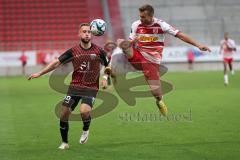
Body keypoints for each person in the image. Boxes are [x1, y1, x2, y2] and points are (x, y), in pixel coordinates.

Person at [28, 23, 110, 150]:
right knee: (64, 114)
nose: (87, 34)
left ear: (92, 33)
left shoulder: (99, 51)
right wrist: (40, 72)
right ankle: (65, 143)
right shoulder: (73, 51)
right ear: (79, 34)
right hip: (75, 86)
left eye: (89, 31)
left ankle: (85, 129)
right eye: (84, 31)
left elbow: (107, 65)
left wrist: (105, 78)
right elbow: (56, 63)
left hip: (90, 87)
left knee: (84, 111)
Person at [118, 4, 211, 116]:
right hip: (138, 56)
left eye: (143, 17)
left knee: (156, 93)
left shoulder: (161, 25)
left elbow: (180, 35)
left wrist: (198, 45)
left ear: (151, 16)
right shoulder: (136, 24)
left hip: (152, 62)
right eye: (140, 16)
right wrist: (132, 42)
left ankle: (160, 101)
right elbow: (129, 42)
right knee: (122, 44)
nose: (141, 19)